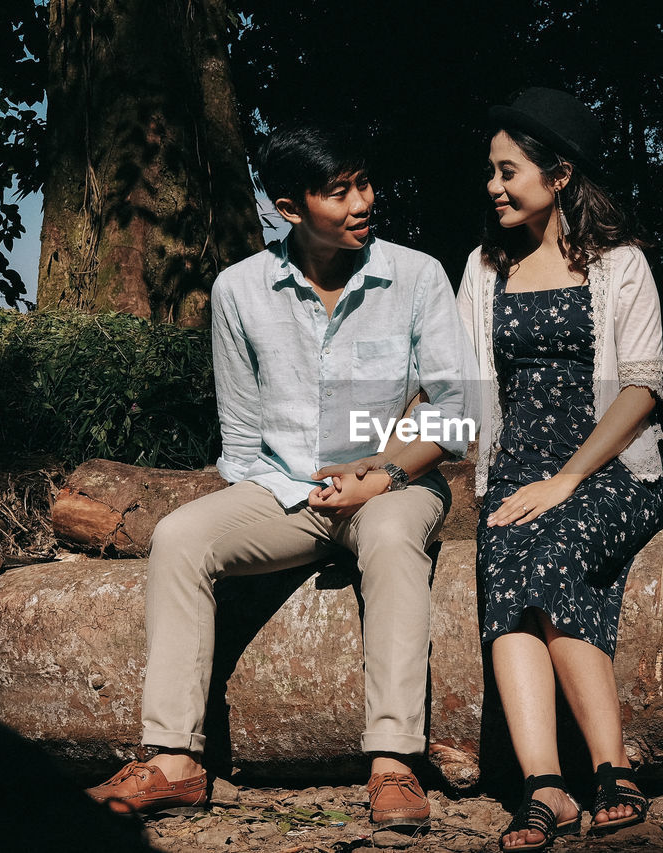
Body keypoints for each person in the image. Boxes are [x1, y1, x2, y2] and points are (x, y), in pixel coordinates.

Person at [84, 120, 474, 837]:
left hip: (393, 485)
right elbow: (240, 436)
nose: (363, 201)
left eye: (364, 183)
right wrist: (301, 496)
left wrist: (379, 473)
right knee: (178, 536)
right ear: (290, 208)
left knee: (389, 538)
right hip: (283, 492)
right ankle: (174, 760)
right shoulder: (239, 290)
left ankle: (393, 761)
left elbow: (456, 415)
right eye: (340, 191)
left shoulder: (417, 275)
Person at [456, 88, 663, 851]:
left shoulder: (621, 266)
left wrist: (569, 478)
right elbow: (463, 390)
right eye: (490, 171)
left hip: (609, 468)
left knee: (549, 555)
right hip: (516, 471)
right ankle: (544, 783)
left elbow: (641, 390)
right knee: (503, 575)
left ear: (561, 174)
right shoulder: (484, 270)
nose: (494, 186)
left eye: (508, 170)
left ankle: (612, 767)